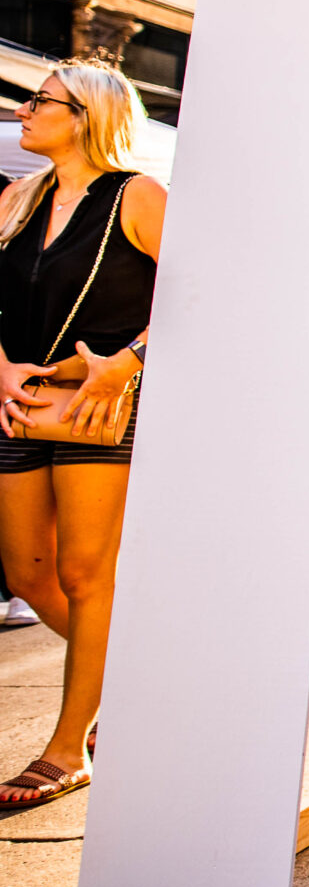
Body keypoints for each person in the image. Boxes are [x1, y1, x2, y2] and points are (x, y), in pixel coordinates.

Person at [0, 64, 164, 805]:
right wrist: (1, 366)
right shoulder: (17, 198)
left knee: (86, 575)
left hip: (99, 411)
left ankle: (70, 747)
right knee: (29, 574)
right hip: (22, 402)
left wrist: (125, 364)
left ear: (87, 116)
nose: (24, 110)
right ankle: (144, 684)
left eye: (40, 101)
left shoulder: (137, 196)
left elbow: (206, 291)